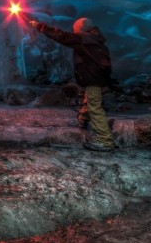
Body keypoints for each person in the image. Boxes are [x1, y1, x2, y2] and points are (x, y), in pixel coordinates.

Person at [23, 13, 116, 152]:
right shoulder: (96, 40)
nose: (74, 32)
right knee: (90, 101)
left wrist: (40, 26)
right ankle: (83, 119)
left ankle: (105, 140)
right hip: (98, 78)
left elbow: (62, 36)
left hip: (93, 79)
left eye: (75, 29)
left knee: (95, 106)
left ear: (82, 29)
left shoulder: (84, 39)